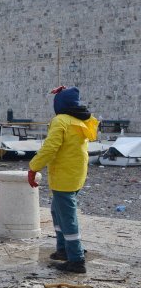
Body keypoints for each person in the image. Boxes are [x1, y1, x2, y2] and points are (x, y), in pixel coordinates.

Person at [28, 86, 98, 274]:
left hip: (64, 176)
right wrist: (66, 94)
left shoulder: (60, 121)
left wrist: (33, 167)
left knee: (67, 217)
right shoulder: (80, 120)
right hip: (76, 174)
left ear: (59, 106)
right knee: (57, 211)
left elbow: (50, 148)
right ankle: (63, 249)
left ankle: (76, 259)